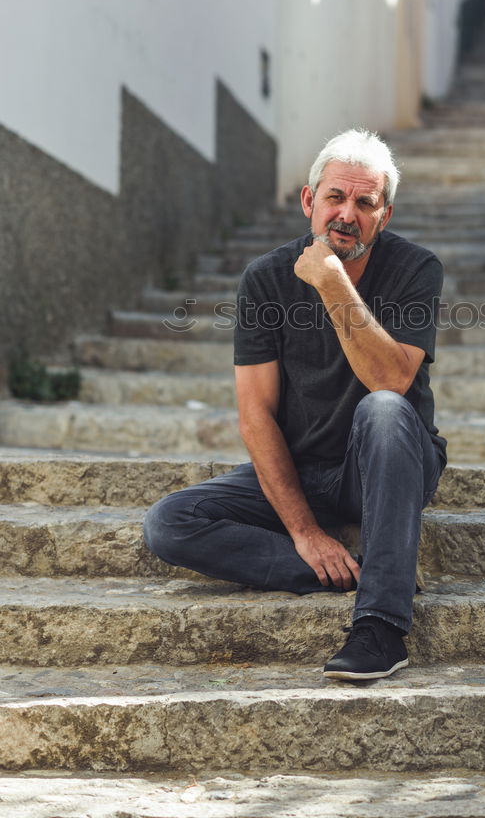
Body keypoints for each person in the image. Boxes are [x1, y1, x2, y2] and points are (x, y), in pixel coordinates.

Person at [144, 128, 447, 680]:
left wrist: (332, 282)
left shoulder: (415, 269)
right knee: (170, 522)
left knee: (381, 410)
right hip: (303, 473)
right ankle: (366, 571)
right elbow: (256, 413)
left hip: (387, 465)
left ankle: (381, 625)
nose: (347, 213)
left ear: (385, 215)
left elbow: (390, 380)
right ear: (310, 201)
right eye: (335, 196)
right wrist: (305, 534)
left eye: (365, 202)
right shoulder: (264, 279)